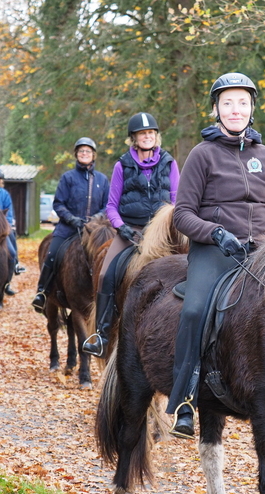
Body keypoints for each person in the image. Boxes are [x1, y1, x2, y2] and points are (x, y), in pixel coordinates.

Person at [166, 72, 265, 439]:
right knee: (193, 311)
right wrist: (215, 233)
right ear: (216, 109)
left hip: (260, 251)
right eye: (228, 103)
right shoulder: (202, 154)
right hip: (214, 252)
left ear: (252, 108)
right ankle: (184, 399)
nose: (235, 109)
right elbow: (182, 214)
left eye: (242, 102)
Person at [81, 112, 180, 358]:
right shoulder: (122, 164)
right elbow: (112, 206)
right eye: (142, 133)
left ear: (156, 136)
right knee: (106, 273)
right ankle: (102, 334)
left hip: (163, 233)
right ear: (134, 138)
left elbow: (178, 201)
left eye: (150, 133)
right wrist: (121, 227)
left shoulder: (169, 163)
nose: (147, 137)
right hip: (131, 230)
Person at [31, 137, 110, 313]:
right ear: (76, 155)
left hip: (95, 229)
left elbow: (108, 205)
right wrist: (72, 219)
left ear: (93, 155)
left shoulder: (102, 180)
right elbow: (58, 203)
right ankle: (42, 292)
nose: (84, 154)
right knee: (52, 254)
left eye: (88, 151)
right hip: (68, 227)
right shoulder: (68, 178)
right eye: (81, 151)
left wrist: (97, 217)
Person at [0, 168, 25, 296]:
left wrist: (5, 226)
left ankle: (9, 279)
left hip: (1, 229)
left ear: (0, 180)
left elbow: (9, 213)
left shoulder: (4, 194)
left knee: (11, 250)